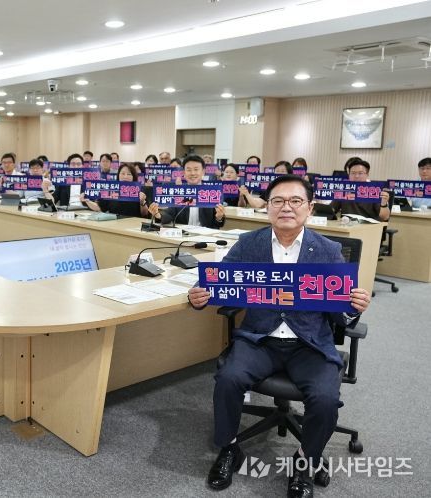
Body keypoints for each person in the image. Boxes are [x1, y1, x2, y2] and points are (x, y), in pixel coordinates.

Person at [189, 174, 371, 497]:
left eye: (295, 201)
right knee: (228, 379)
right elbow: (218, 282)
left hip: (309, 343)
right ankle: (229, 447)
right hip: (260, 339)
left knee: (326, 399)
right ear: (267, 207)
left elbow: (340, 313)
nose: (286, 207)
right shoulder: (249, 244)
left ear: (309, 207)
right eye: (278, 201)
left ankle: (304, 461)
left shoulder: (328, 250)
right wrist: (198, 295)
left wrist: (353, 307)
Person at [147, 154, 225, 228]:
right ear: (184, 173)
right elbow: (169, 214)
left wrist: (219, 217)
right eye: (189, 170)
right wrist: (158, 215)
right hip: (183, 234)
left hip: (205, 235)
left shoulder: (212, 192)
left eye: (196, 169)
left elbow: (218, 224)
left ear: (203, 172)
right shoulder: (179, 191)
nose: (192, 173)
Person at [81, 163, 150, 218]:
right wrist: (87, 201)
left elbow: (145, 214)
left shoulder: (140, 190)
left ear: (133, 177)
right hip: (114, 224)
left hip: (133, 224)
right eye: (122, 173)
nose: (125, 176)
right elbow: (99, 208)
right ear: (118, 176)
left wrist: (142, 202)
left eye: (129, 174)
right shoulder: (111, 190)